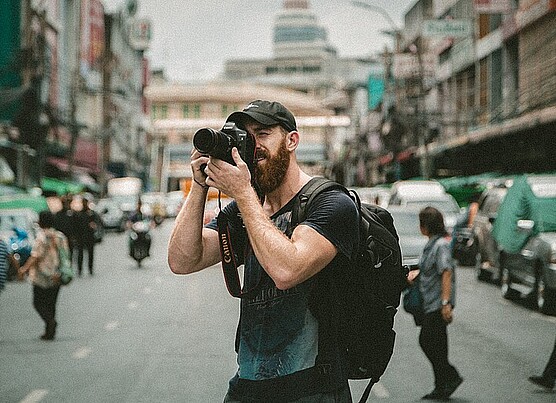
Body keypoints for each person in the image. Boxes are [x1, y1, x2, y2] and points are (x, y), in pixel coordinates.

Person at [168, 100, 359, 402]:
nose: (253, 145)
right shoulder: (248, 209)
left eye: (263, 133)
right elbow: (183, 260)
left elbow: (288, 271)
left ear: (292, 140)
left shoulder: (331, 204)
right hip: (248, 385)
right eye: (245, 136)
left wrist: (244, 192)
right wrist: (200, 186)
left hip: (312, 389)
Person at [418, 206, 463, 400]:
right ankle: (442, 385)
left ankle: (450, 377)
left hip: (437, 304)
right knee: (436, 344)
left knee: (428, 340)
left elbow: (446, 272)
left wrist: (445, 303)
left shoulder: (440, 246)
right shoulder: (431, 245)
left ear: (426, 226)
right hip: (430, 302)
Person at [18, 211, 68, 340]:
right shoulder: (60, 236)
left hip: (41, 275)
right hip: (57, 274)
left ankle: (50, 323)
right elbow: (65, 254)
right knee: (51, 304)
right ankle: (49, 330)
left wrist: (24, 269)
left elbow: (35, 256)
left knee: (38, 303)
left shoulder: (41, 237)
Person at [75, 196, 101, 276]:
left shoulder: (91, 214)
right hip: (81, 236)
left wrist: (94, 226)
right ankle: (79, 269)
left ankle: (90, 268)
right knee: (80, 254)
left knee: (90, 254)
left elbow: (97, 222)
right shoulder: (79, 214)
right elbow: (75, 225)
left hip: (90, 236)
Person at [54, 195, 77, 263]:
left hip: (69, 237)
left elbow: (74, 225)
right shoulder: (58, 214)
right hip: (60, 236)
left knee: (69, 253)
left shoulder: (72, 214)